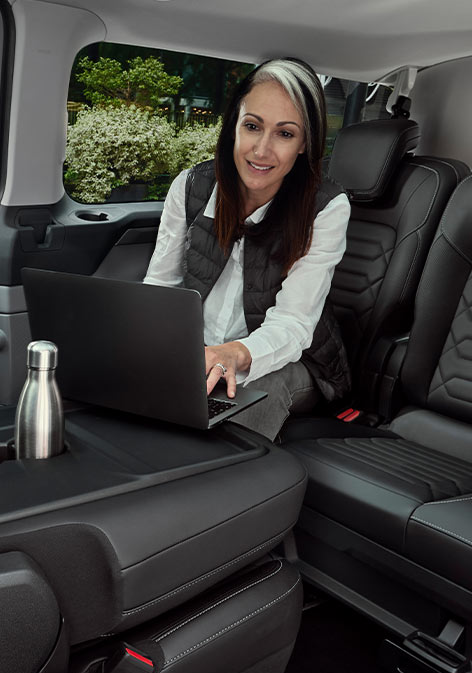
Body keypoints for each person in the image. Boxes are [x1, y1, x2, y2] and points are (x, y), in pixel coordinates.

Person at [145, 57, 352, 440]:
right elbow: (160, 287)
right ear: (234, 127)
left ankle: (227, 474)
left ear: (304, 144)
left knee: (258, 386)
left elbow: (293, 324)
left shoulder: (326, 207)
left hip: (292, 361)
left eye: (285, 134)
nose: (262, 149)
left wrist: (235, 354)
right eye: (253, 126)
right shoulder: (191, 186)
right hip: (199, 352)